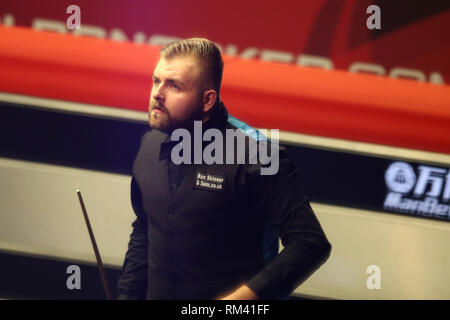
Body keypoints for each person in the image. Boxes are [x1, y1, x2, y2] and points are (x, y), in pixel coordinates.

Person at [117, 38, 331, 300]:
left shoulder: (258, 155)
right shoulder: (149, 145)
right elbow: (146, 228)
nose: (157, 94)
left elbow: (310, 244)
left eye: (173, 86)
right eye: (156, 81)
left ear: (207, 100)